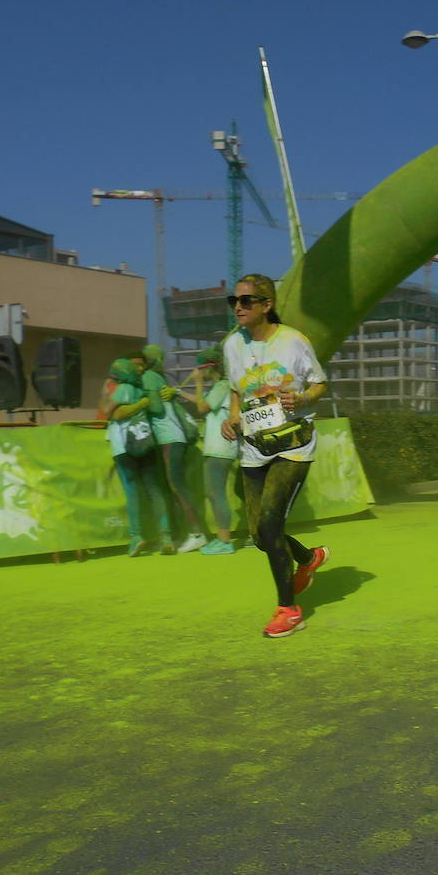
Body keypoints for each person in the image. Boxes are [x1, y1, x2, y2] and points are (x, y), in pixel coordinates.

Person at [221, 273, 330, 638]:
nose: (238, 307)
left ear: (267, 305)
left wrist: (301, 399)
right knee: (260, 536)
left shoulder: (294, 341)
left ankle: (288, 609)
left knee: (270, 525)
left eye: (246, 301)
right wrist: (232, 417)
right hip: (254, 447)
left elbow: (319, 383)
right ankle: (307, 558)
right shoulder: (231, 345)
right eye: (234, 301)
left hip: (294, 445)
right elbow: (237, 389)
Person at [141, 343, 207, 554]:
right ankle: (187, 534)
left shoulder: (149, 377)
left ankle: (197, 534)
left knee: (177, 487)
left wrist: (139, 401)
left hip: (169, 439)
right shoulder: (160, 378)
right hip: (174, 438)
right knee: (176, 487)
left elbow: (157, 408)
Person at [104, 358, 172, 556]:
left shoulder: (123, 388)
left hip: (124, 446)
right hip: (146, 441)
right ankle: (165, 535)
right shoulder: (142, 389)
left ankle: (136, 537)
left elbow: (115, 413)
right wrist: (143, 403)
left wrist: (132, 404)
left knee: (132, 491)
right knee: (154, 490)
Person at [187, 345, 239, 554]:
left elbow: (202, 407)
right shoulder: (220, 387)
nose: (199, 373)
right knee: (214, 493)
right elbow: (205, 402)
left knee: (216, 494)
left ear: (209, 368)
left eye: (201, 369)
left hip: (221, 447)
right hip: (218, 448)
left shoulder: (223, 385)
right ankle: (223, 539)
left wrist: (197, 383)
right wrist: (180, 393)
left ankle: (225, 541)